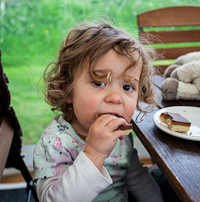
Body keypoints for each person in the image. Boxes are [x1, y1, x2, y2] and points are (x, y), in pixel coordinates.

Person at [33, 20, 164, 202]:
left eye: (127, 87)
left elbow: (135, 177)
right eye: (99, 83)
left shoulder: (120, 136)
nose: (115, 97)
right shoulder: (56, 144)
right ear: (67, 89)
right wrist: (94, 154)